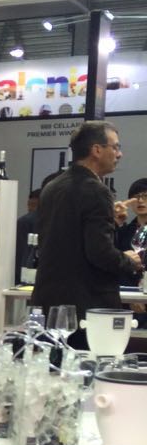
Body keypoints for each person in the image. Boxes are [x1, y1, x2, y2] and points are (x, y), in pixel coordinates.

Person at [32, 120, 142, 327]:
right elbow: (99, 253)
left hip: (49, 302)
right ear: (97, 150)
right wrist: (129, 261)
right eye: (116, 147)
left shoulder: (52, 187)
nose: (119, 154)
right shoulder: (96, 190)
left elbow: (68, 239)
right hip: (87, 307)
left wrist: (112, 222)